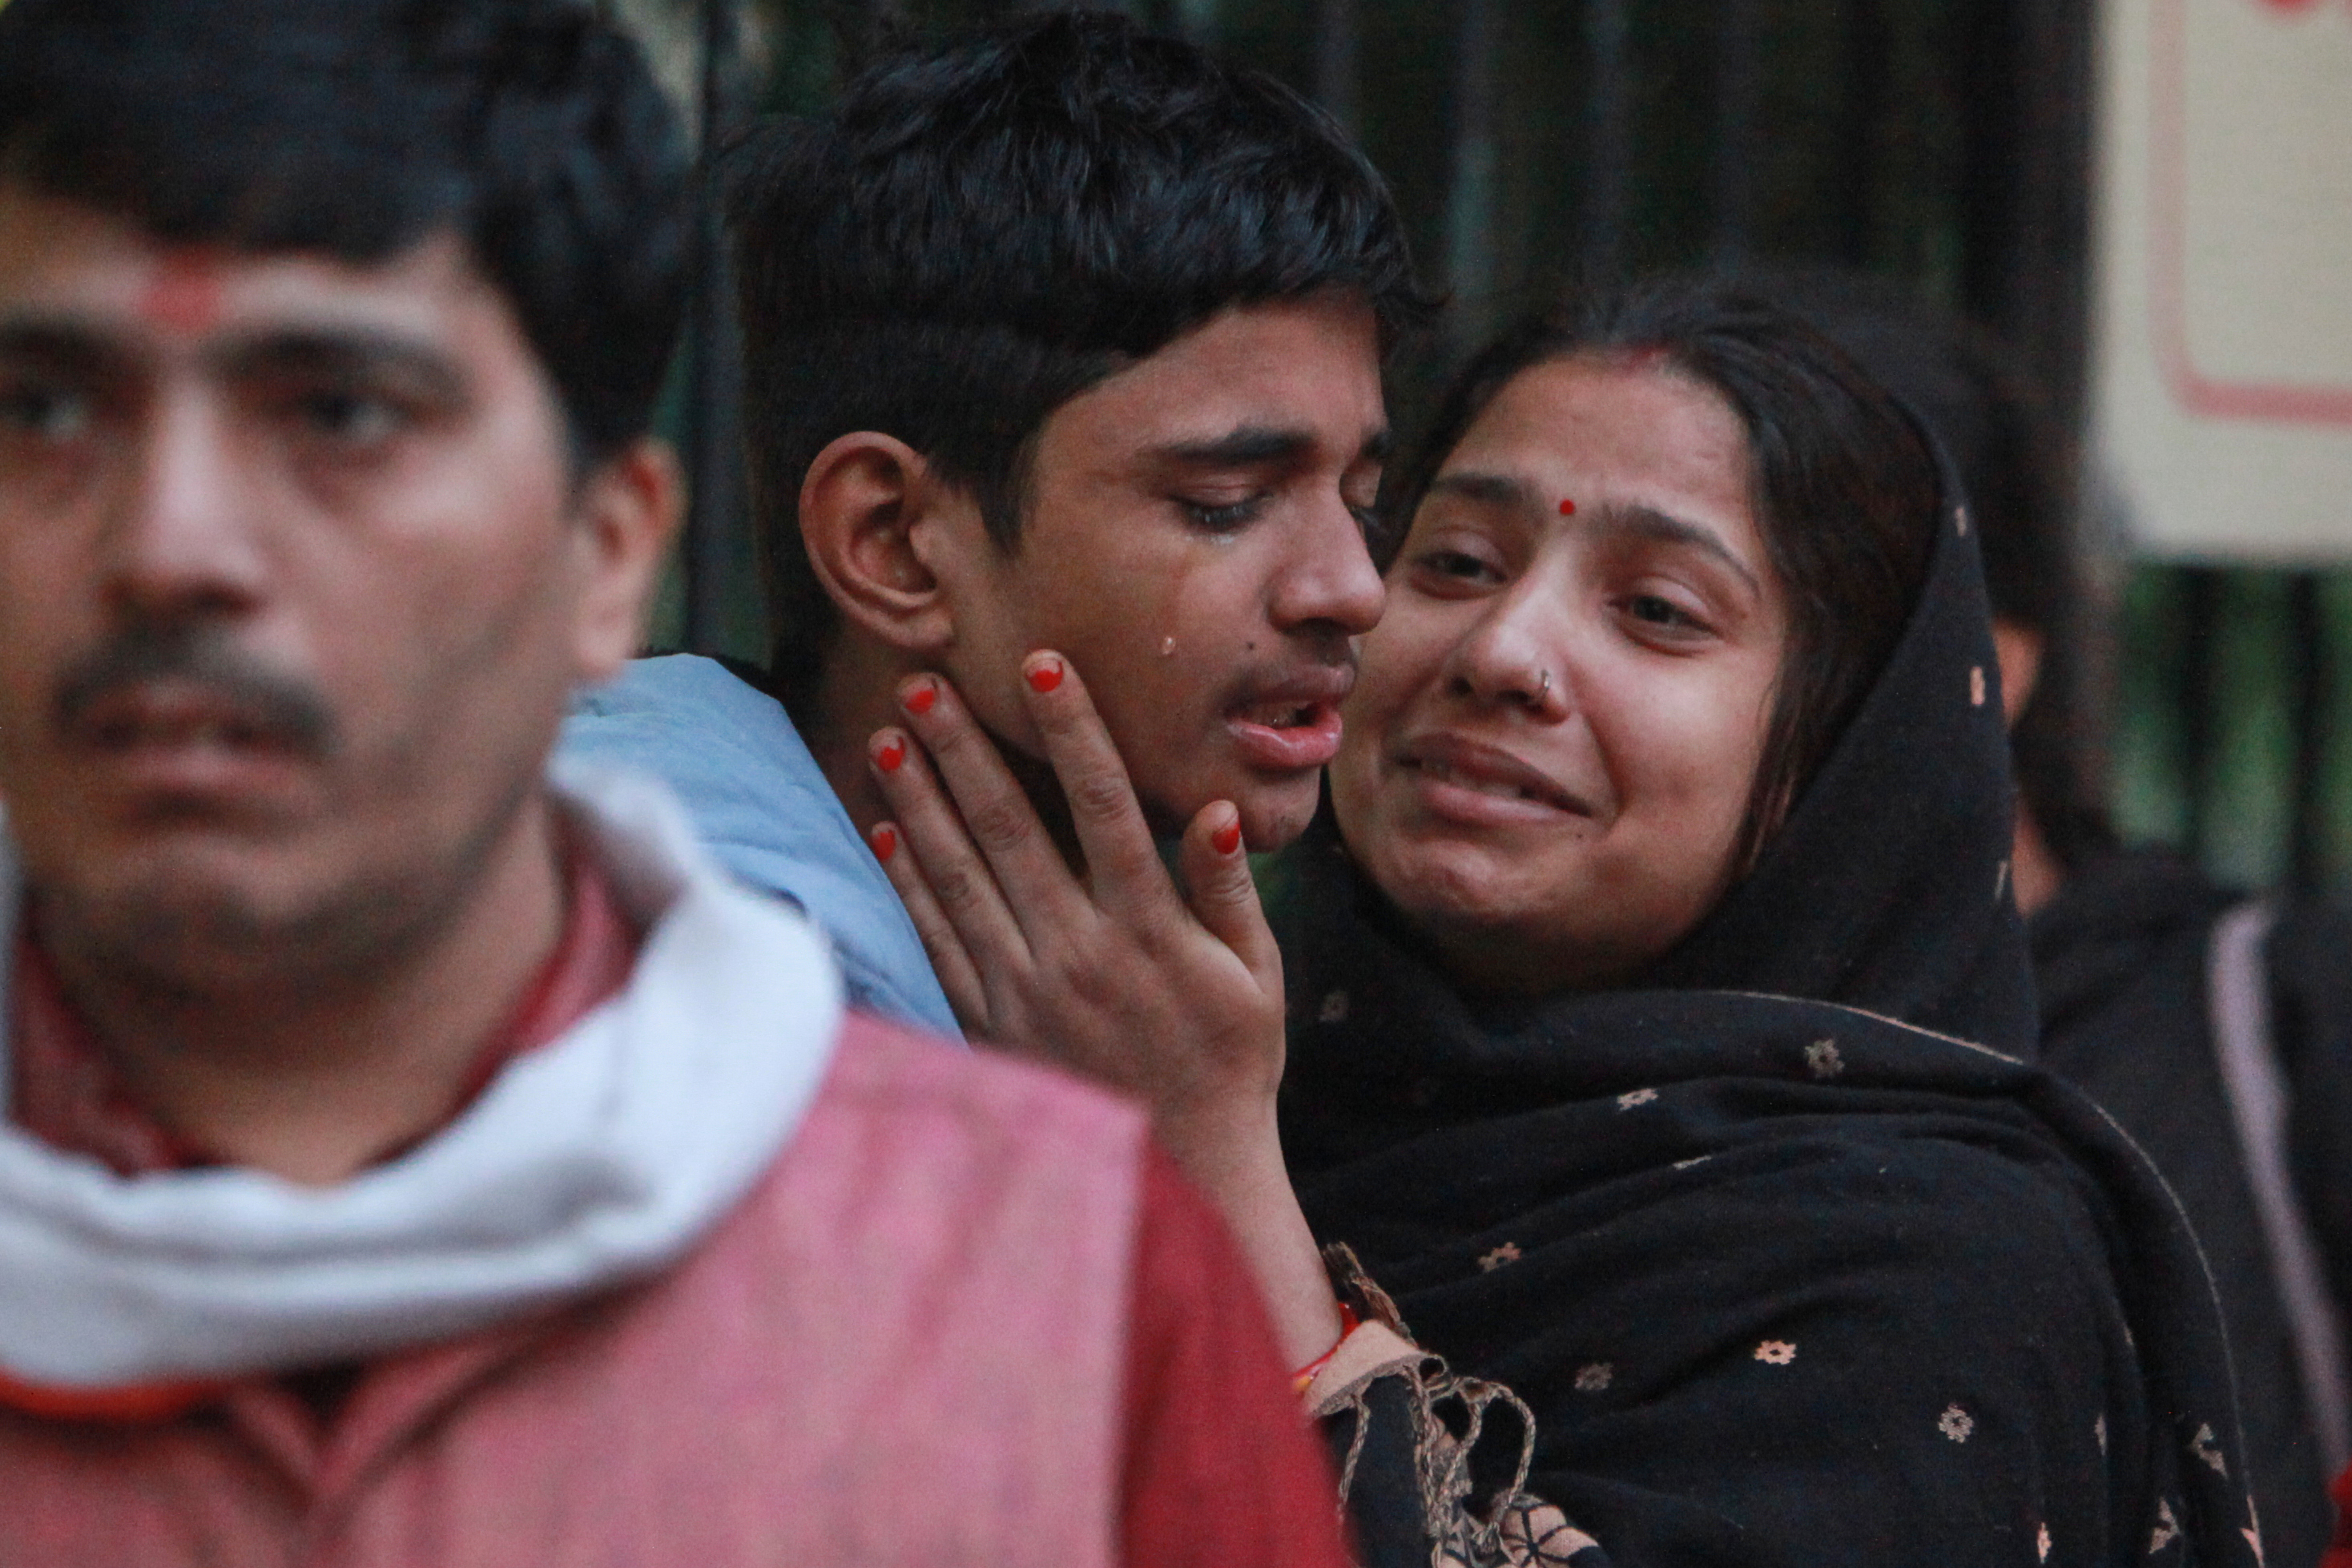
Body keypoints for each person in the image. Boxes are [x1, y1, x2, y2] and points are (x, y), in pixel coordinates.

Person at [0, 3, 1354, 1564]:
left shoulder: (1065, 1283)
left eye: (338, 415)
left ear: (609, 554)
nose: (168, 546)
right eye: (43, 408)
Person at [872, 280, 2266, 1565]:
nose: (1501, 653)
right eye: (1459, 563)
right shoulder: (1222, 1064)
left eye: (1657, 610)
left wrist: (1223, 1199)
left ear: (1851, 754)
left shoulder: (1949, 1265)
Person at [557, 7, 1430, 1044]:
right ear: (893, 540)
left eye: (1361, 501)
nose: (1351, 587)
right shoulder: (673, 1000)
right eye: (1225, 503)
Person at [1756, 266, 2339, 1568]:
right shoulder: (1569, 1083)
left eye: (1670, 611)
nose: (1528, 661)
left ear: (1985, 667)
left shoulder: (2273, 1023)